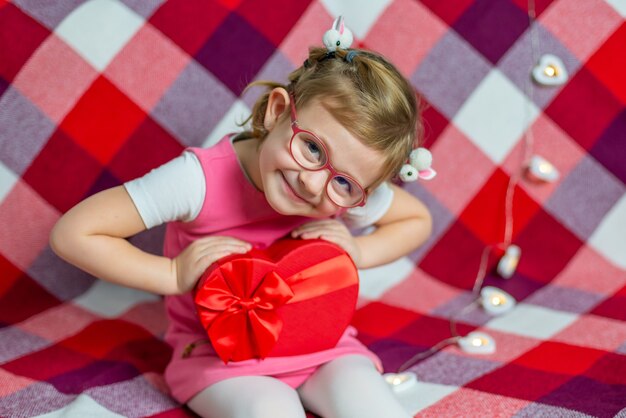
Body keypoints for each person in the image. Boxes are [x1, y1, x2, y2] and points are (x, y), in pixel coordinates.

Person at [50, 17, 433, 418]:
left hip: (322, 345)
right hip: (218, 358)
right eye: (312, 149)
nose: (314, 184)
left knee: (376, 409)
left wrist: (358, 250)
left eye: (343, 183)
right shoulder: (197, 180)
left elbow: (416, 221)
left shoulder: (344, 188)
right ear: (277, 111)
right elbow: (74, 233)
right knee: (271, 412)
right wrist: (172, 275)